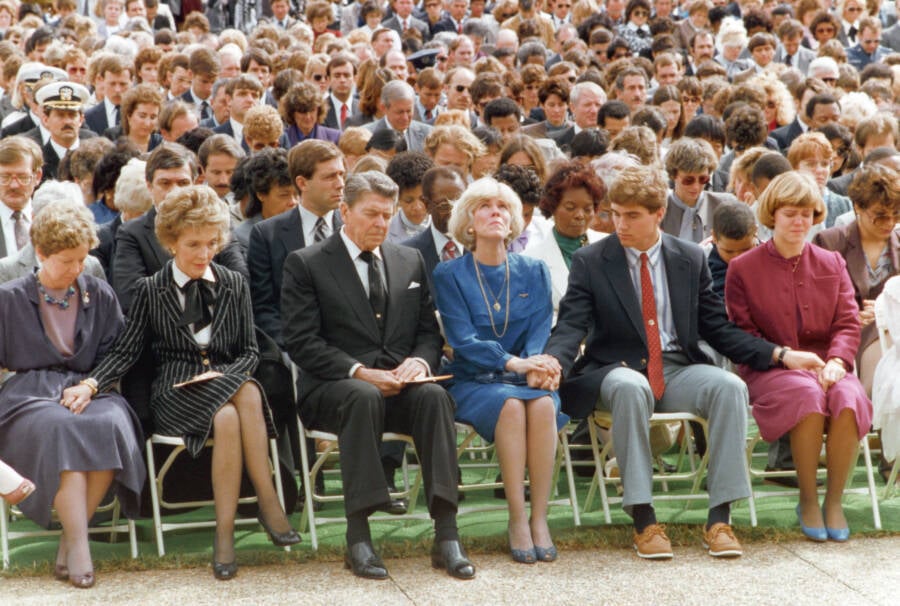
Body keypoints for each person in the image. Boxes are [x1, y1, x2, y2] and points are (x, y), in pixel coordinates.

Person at [544, 165, 824, 559]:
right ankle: (643, 519)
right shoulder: (592, 260)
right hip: (617, 370)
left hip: (677, 367)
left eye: (632, 215)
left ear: (658, 213)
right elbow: (572, 324)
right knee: (630, 385)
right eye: (616, 214)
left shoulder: (690, 257)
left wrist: (780, 355)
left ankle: (720, 518)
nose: (619, 223)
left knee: (729, 386)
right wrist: (553, 361)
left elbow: (717, 328)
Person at [65, 185, 301, 580]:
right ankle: (268, 503)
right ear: (171, 242)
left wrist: (224, 373)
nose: (204, 253)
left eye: (212, 243)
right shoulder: (150, 290)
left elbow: (249, 351)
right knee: (240, 396)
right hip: (176, 390)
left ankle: (224, 535)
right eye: (193, 244)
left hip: (228, 382)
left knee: (235, 400)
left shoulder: (232, 282)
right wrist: (91, 384)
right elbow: (126, 351)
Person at [281, 171, 475, 581]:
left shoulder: (409, 259)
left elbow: (427, 332)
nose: (381, 224)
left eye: (387, 216)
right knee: (361, 395)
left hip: (401, 386)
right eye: (371, 214)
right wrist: (359, 372)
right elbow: (301, 342)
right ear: (345, 211)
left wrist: (421, 364)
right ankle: (358, 536)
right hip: (333, 389)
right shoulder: (307, 263)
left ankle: (447, 534)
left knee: (435, 397)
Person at [0, 199, 145, 588]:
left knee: (112, 423)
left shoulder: (98, 291)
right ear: (41, 254)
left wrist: (91, 385)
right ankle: (80, 548)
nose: (77, 268)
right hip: (28, 396)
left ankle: (70, 542)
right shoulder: (9, 297)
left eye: (82, 259)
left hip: (91, 387)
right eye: (66, 260)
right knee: (63, 427)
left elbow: (119, 351)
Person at [726, 172, 873, 542]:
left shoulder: (831, 262)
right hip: (772, 366)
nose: (799, 222)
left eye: (807, 214)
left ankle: (834, 501)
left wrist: (839, 362)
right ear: (772, 214)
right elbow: (742, 335)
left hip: (828, 363)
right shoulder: (742, 268)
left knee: (848, 397)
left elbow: (847, 322)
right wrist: (785, 356)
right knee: (806, 396)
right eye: (791, 213)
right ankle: (808, 499)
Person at [432, 177, 566, 564]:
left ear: (513, 221)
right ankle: (517, 518)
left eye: (503, 207)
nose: (496, 212)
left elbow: (541, 328)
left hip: (525, 376)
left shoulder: (535, 270)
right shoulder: (450, 273)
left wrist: (538, 364)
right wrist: (514, 363)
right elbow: (462, 339)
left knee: (542, 404)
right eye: (485, 206)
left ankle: (540, 519)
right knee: (509, 405)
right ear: (469, 224)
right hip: (474, 379)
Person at [814, 164, 900, 394]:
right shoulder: (830, 242)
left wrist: (884, 310)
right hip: (843, 334)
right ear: (857, 208)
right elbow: (815, 301)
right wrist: (852, 314)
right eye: (880, 216)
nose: (889, 223)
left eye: (897, 214)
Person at [522, 161, 607, 311]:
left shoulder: (609, 247)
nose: (580, 215)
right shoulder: (530, 261)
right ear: (552, 207)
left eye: (587, 209)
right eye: (570, 208)